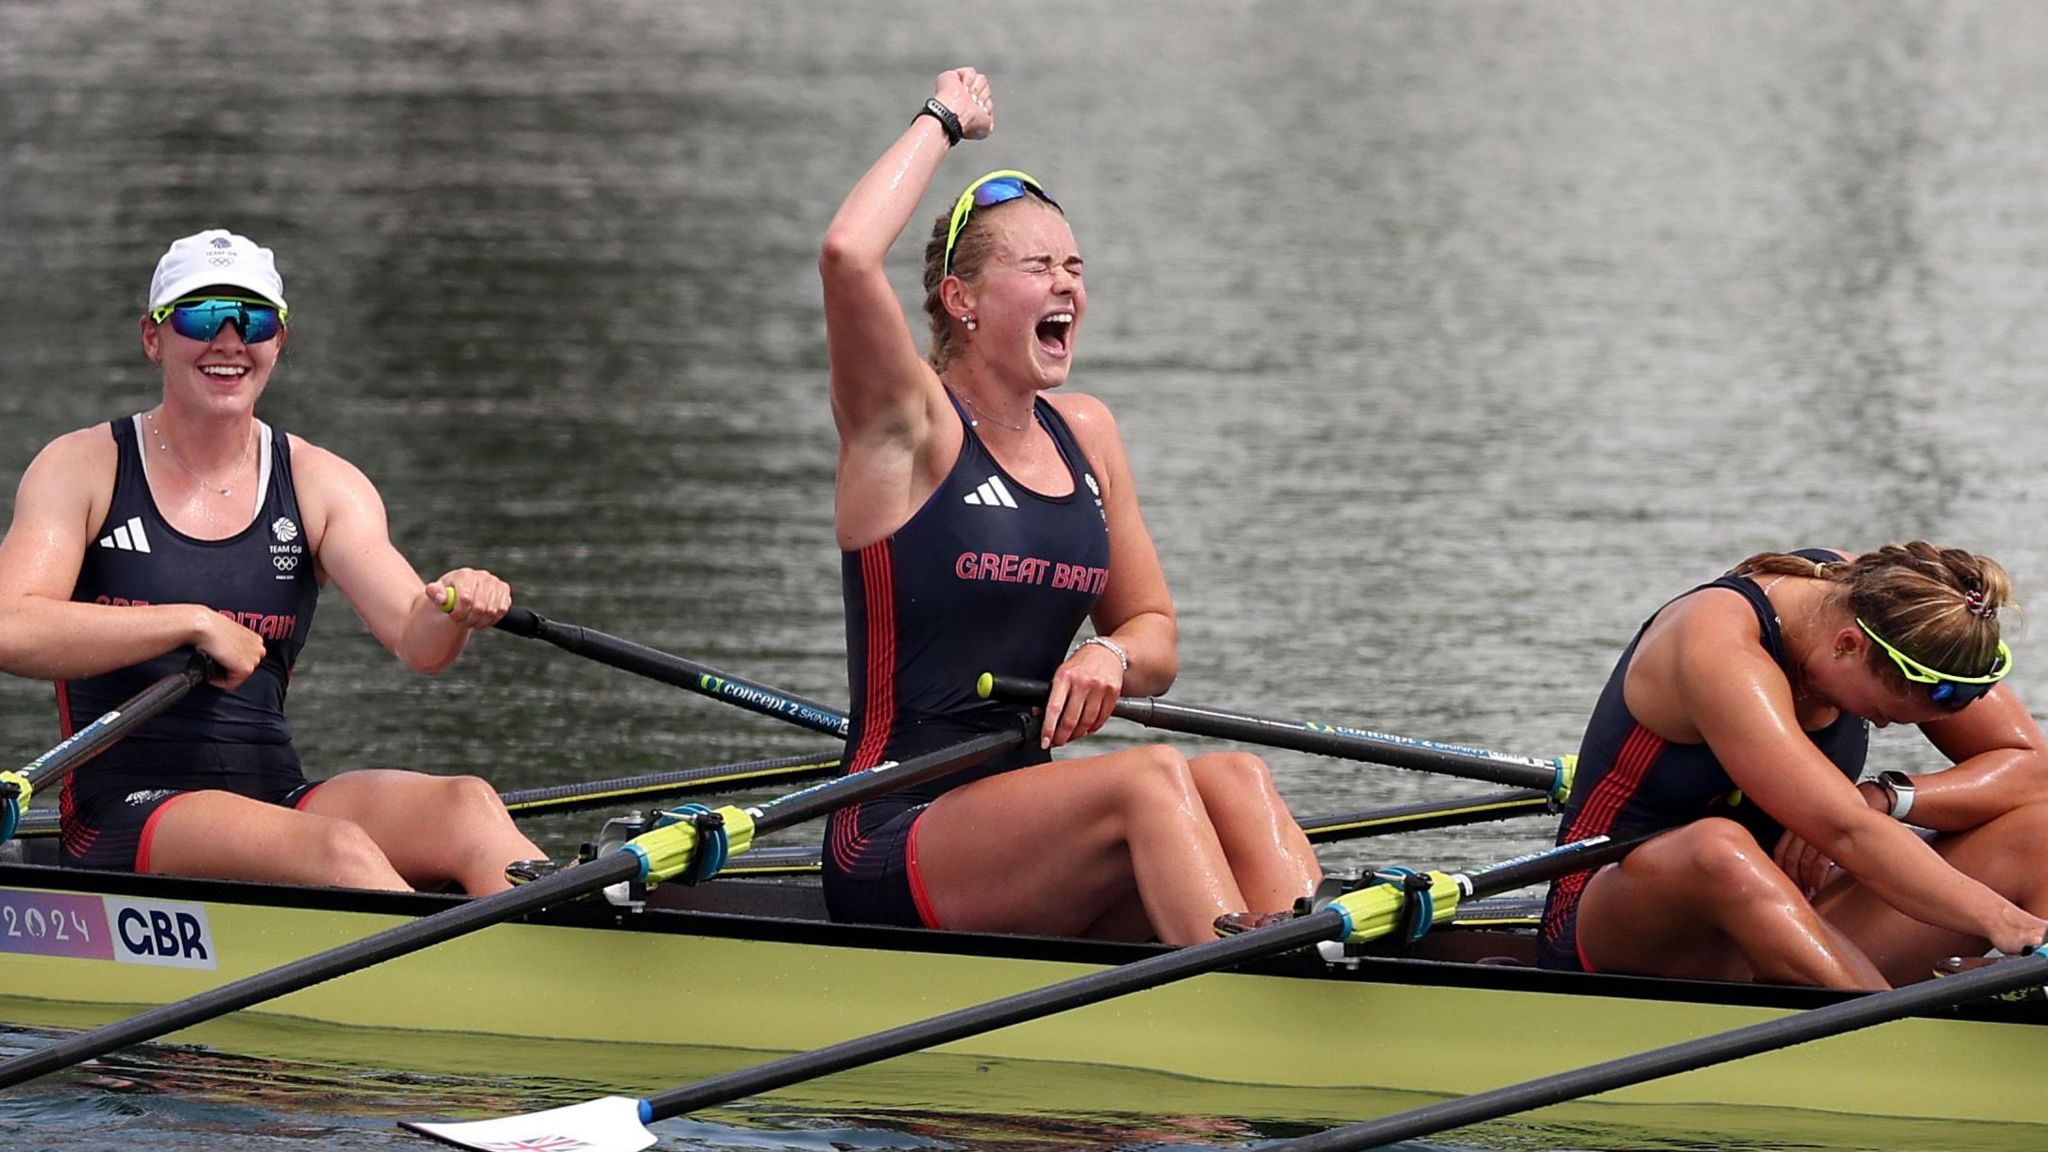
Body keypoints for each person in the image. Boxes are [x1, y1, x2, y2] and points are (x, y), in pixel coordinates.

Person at [815, 69, 1320, 946]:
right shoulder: (909, 426)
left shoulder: (1086, 433)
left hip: (1024, 824)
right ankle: (1255, 1008)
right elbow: (847, 255)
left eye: (1075, 268)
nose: (1067, 287)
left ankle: (1331, 983)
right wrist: (943, 120)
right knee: (1147, 776)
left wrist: (1113, 658)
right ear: (961, 298)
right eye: (1038, 266)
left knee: (1234, 779)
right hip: (892, 829)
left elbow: (1155, 627)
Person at [0, 228, 542, 894]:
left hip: (276, 797)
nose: (229, 341)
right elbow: (12, 629)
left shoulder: (321, 482)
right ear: (153, 337)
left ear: (278, 341)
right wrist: (189, 623)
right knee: (339, 853)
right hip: (123, 813)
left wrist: (455, 605)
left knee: (466, 805)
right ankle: (465, 984)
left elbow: (416, 640)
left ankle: (563, 958)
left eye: (253, 319)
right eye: (200, 316)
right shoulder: (83, 467)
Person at [1539, 543, 2048, 988]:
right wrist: (2004, 920)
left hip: (1792, 916)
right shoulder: (1718, 644)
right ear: (1849, 646)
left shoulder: (1899, 606)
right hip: (1619, 924)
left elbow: (2033, 769)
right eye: (1884, 713)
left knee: (2040, 830)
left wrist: (1888, 796)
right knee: (1718, 848)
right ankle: (1896, 1052)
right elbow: (1846, 830)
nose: (1887, 727)